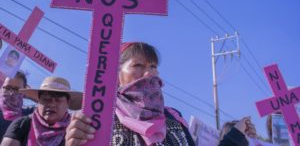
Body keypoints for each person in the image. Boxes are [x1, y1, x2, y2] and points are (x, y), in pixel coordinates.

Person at [65, 42, 196, 146]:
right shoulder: (96, 117)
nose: (148, 73)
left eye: (153, 66)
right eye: (138, 65)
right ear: (116, 74)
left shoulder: (174, 118)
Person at [1, 76, 82, 146]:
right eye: (46, 99)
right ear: (38, 101)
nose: (51, 104)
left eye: (58, 100)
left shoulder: (75, 131)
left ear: (67, 103)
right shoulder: (22, 124)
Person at [0, 71, 34, 142]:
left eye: (16, 89)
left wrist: (30, 94)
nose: (11, 93)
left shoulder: (28, 116)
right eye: (8, 87)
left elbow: (53, 105)